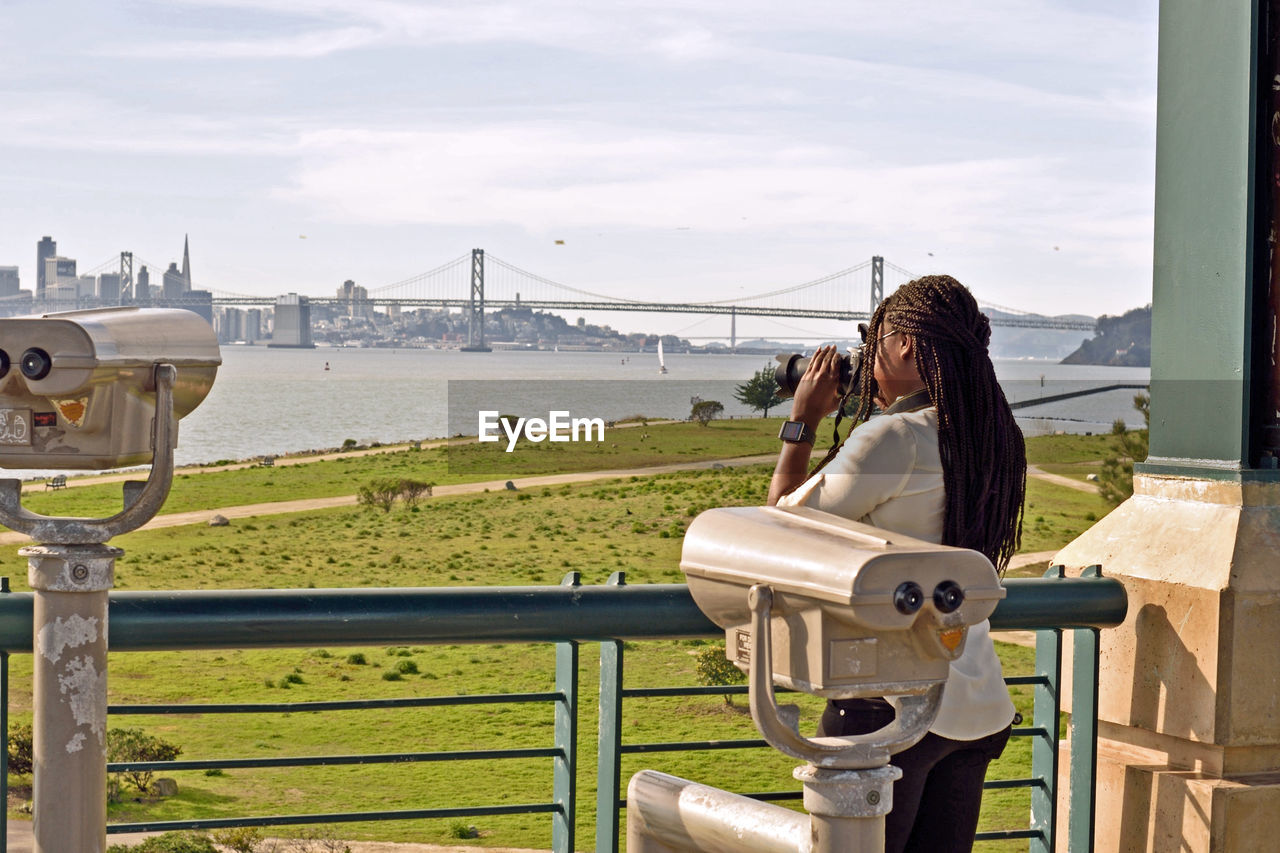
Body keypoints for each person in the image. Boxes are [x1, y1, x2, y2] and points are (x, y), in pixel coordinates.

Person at [767, 274, 1024, 853]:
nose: (863, 356)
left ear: (905, 344)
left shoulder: (896, 438)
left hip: (890, 708)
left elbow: (780, 531)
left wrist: (803, 422)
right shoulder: (993, 433)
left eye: (871, 337)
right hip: (975, 702)